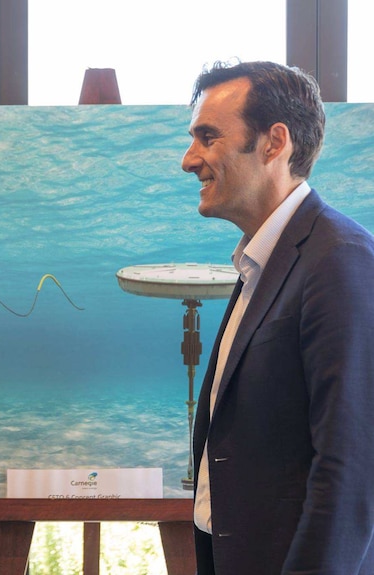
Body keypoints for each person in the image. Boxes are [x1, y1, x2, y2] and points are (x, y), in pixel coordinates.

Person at [183, 60, 374, 574]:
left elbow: (352, 472)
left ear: (274, 143)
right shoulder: (264, 261)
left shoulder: (340, 259)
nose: (188, 160)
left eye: (208, 137)